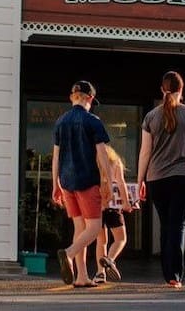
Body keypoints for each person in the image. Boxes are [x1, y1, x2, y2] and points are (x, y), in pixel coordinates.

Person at [137, 71, 185, 289]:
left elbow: (145, 152)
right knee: (178, 225)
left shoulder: (150, 117)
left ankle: (168, 273)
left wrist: (140, 181)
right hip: (184, 175)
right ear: (181, 90)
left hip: (157, 177)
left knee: (166, 225)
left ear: (162, 90)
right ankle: (175, 275)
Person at [51, 80, 115, 288]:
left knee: (80, 227)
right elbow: (102, 153)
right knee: (94, 227)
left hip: (66, 181)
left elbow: (56, 156)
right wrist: (108, 180)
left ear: (72, 97)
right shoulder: (92, 121)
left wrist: (55, 184)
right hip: (87, 179)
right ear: (89, 99)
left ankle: (82, 276)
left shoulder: (60, 122)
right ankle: (68, 254)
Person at [93, 145, 135, 284]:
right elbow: (121, 183)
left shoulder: (94, 164)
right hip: (112, 206)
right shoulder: (115, 162)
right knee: (121, 238)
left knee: (101, 241)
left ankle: (100, 273)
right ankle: (110, 259)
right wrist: (126, 202)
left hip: (98, 206)